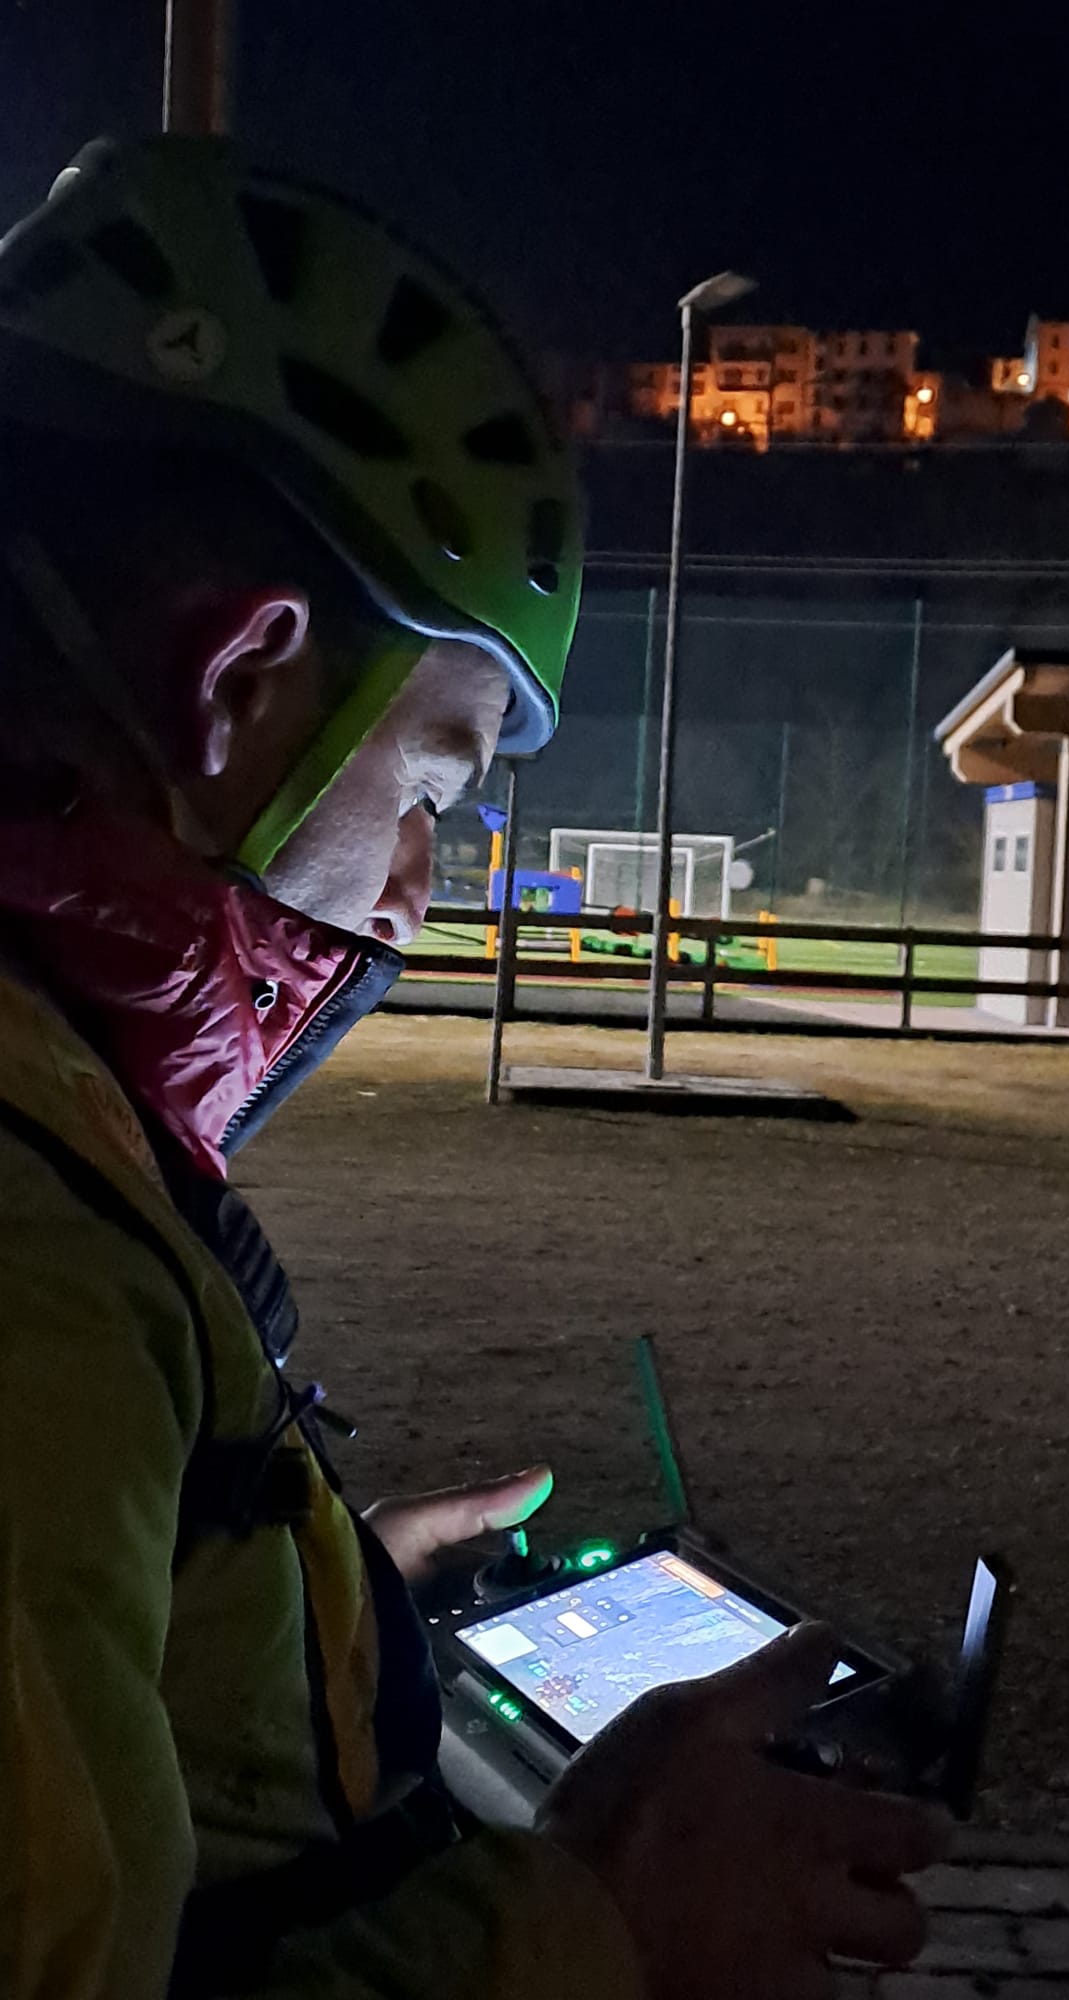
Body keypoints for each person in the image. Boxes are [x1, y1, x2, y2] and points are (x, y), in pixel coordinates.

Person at [0, 136, 948, 2000]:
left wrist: (297, 1598)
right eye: (434, 783)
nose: (421, 887)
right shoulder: (30, 1255)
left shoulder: (51, 1096)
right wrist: (598, 1914)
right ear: (242, 682)